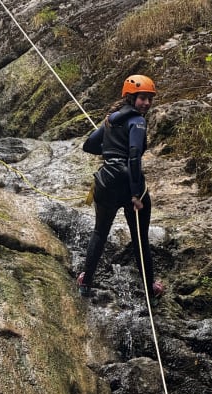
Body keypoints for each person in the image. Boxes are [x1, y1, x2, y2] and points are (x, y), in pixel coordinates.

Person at [77, 74, 164, 306]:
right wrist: (136, 194)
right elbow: (134, 155)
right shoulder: (137, 121)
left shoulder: (111, 120)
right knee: (139, 238)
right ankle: (150, 288)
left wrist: (111, 151)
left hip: (105, 182)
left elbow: (89, 145)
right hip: (128, 183)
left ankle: (86, 282)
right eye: (142, 98)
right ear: (130, 97)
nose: (146, 103)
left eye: (149, 99)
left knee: (99, 232)